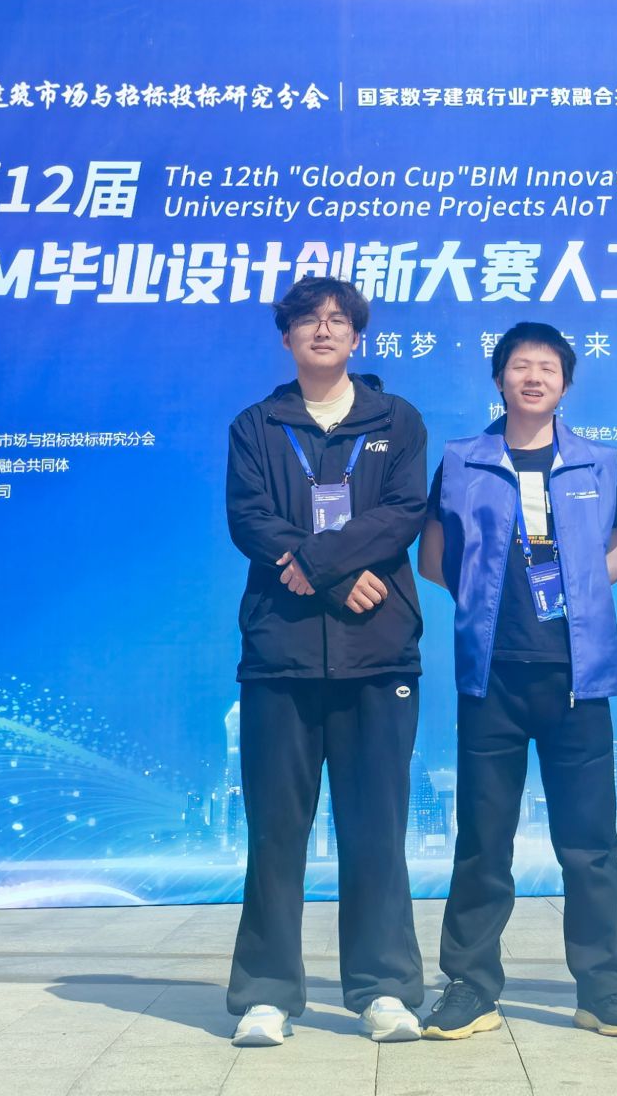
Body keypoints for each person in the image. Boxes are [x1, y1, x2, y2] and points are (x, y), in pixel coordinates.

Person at [416, 321, 617, 1040]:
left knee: (590, 845)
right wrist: (487, 603)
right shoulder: (463, 461)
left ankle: (602, 990)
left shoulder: (597, 463)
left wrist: (573, 602)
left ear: (565, 383)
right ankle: (470, 986)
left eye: (548, 366)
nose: (534, 377)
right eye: (521, 365)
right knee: (484, 842)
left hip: (578, 679)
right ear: (499, 379)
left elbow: (614, 553)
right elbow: (432, 557)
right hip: (493, 678)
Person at [222, 276, 429, 1047]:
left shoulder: (396, 420)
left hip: (378, 653)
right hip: (280, 654)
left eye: (338, 320)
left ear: (357, 337)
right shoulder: (257, 425)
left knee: (376, 830)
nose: (323, 330)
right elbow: (250, 519)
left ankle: (384, 990)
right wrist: (336, 575)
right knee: (277, 834)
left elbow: (403, 512)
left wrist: (323, 564)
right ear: (286, 338)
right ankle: (267, 994)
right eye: (308, 320)